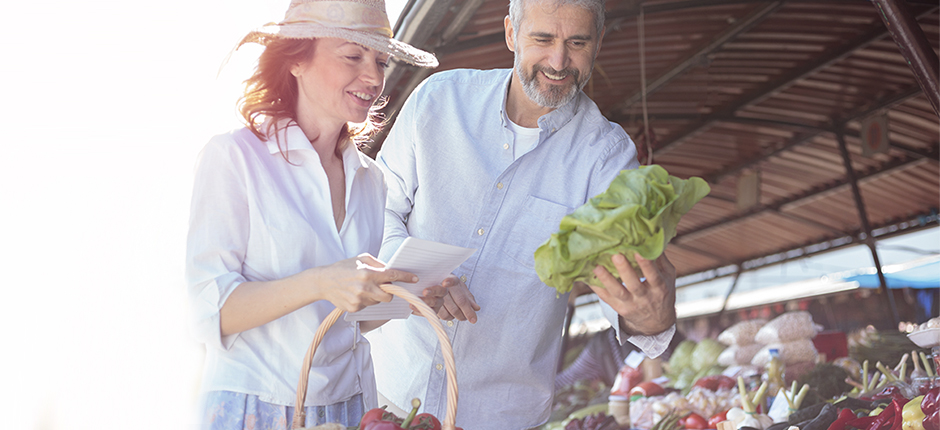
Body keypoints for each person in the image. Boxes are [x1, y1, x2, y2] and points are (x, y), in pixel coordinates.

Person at [366, 0, 678, 427]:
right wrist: (414, 274)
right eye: (543, 39)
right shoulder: (438, 102)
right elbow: (374, 211)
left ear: (599, 43)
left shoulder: (606, 158)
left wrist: (649, 319)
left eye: (577, 42)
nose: (558, 60)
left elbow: (625, 286)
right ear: (512, 33)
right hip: (386, 394)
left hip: (499, 418)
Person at [185, 0, 440, 428]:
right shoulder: (234, 158)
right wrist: (321, 280)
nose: (375, 77)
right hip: (256, 406)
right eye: (353, 56)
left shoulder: (371, 180)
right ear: (297, 61)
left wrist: (407, 299)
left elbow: (346, 320)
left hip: (351, 405)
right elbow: (210, 312)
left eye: (380, 60)